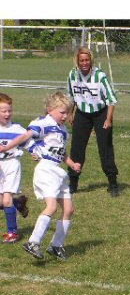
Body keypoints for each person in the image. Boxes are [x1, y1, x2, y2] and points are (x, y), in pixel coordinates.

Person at [2, 92, 81, 260]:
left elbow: (61, 152)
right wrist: (5, 147)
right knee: (51, 207)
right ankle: (33, 242)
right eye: (62, 112)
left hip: (58, 171)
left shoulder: (63, 129)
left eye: (67, 112)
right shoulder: (43, 122)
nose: (65, 116)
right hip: (46, 169)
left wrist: (72, 163)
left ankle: (56, 246)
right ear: (50, 109)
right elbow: (25, 136)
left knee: (69, 209)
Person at [67, 47, 120, 197]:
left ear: (91, 60)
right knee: (77, 147)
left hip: (101, 113)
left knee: (105, 147)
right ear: (77, 61)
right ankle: (73, 182)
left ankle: (112, 183)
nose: (84, 63)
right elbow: (71, 96)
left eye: (87, 60)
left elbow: (111, 100)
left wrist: (108, 120)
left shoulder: (100, 75)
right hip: (82, 114)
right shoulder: (72, 75)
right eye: (81, 60)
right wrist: (71, 113)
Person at [0, 93, 30, 243]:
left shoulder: (18, 129)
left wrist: (35, 153)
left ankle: (13, 233)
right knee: (4, 202)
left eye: (9, 110)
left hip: (12, 165)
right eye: (3, 111)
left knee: (6, 201)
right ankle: (18, 203)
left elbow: (29, 143)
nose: (7, 114)